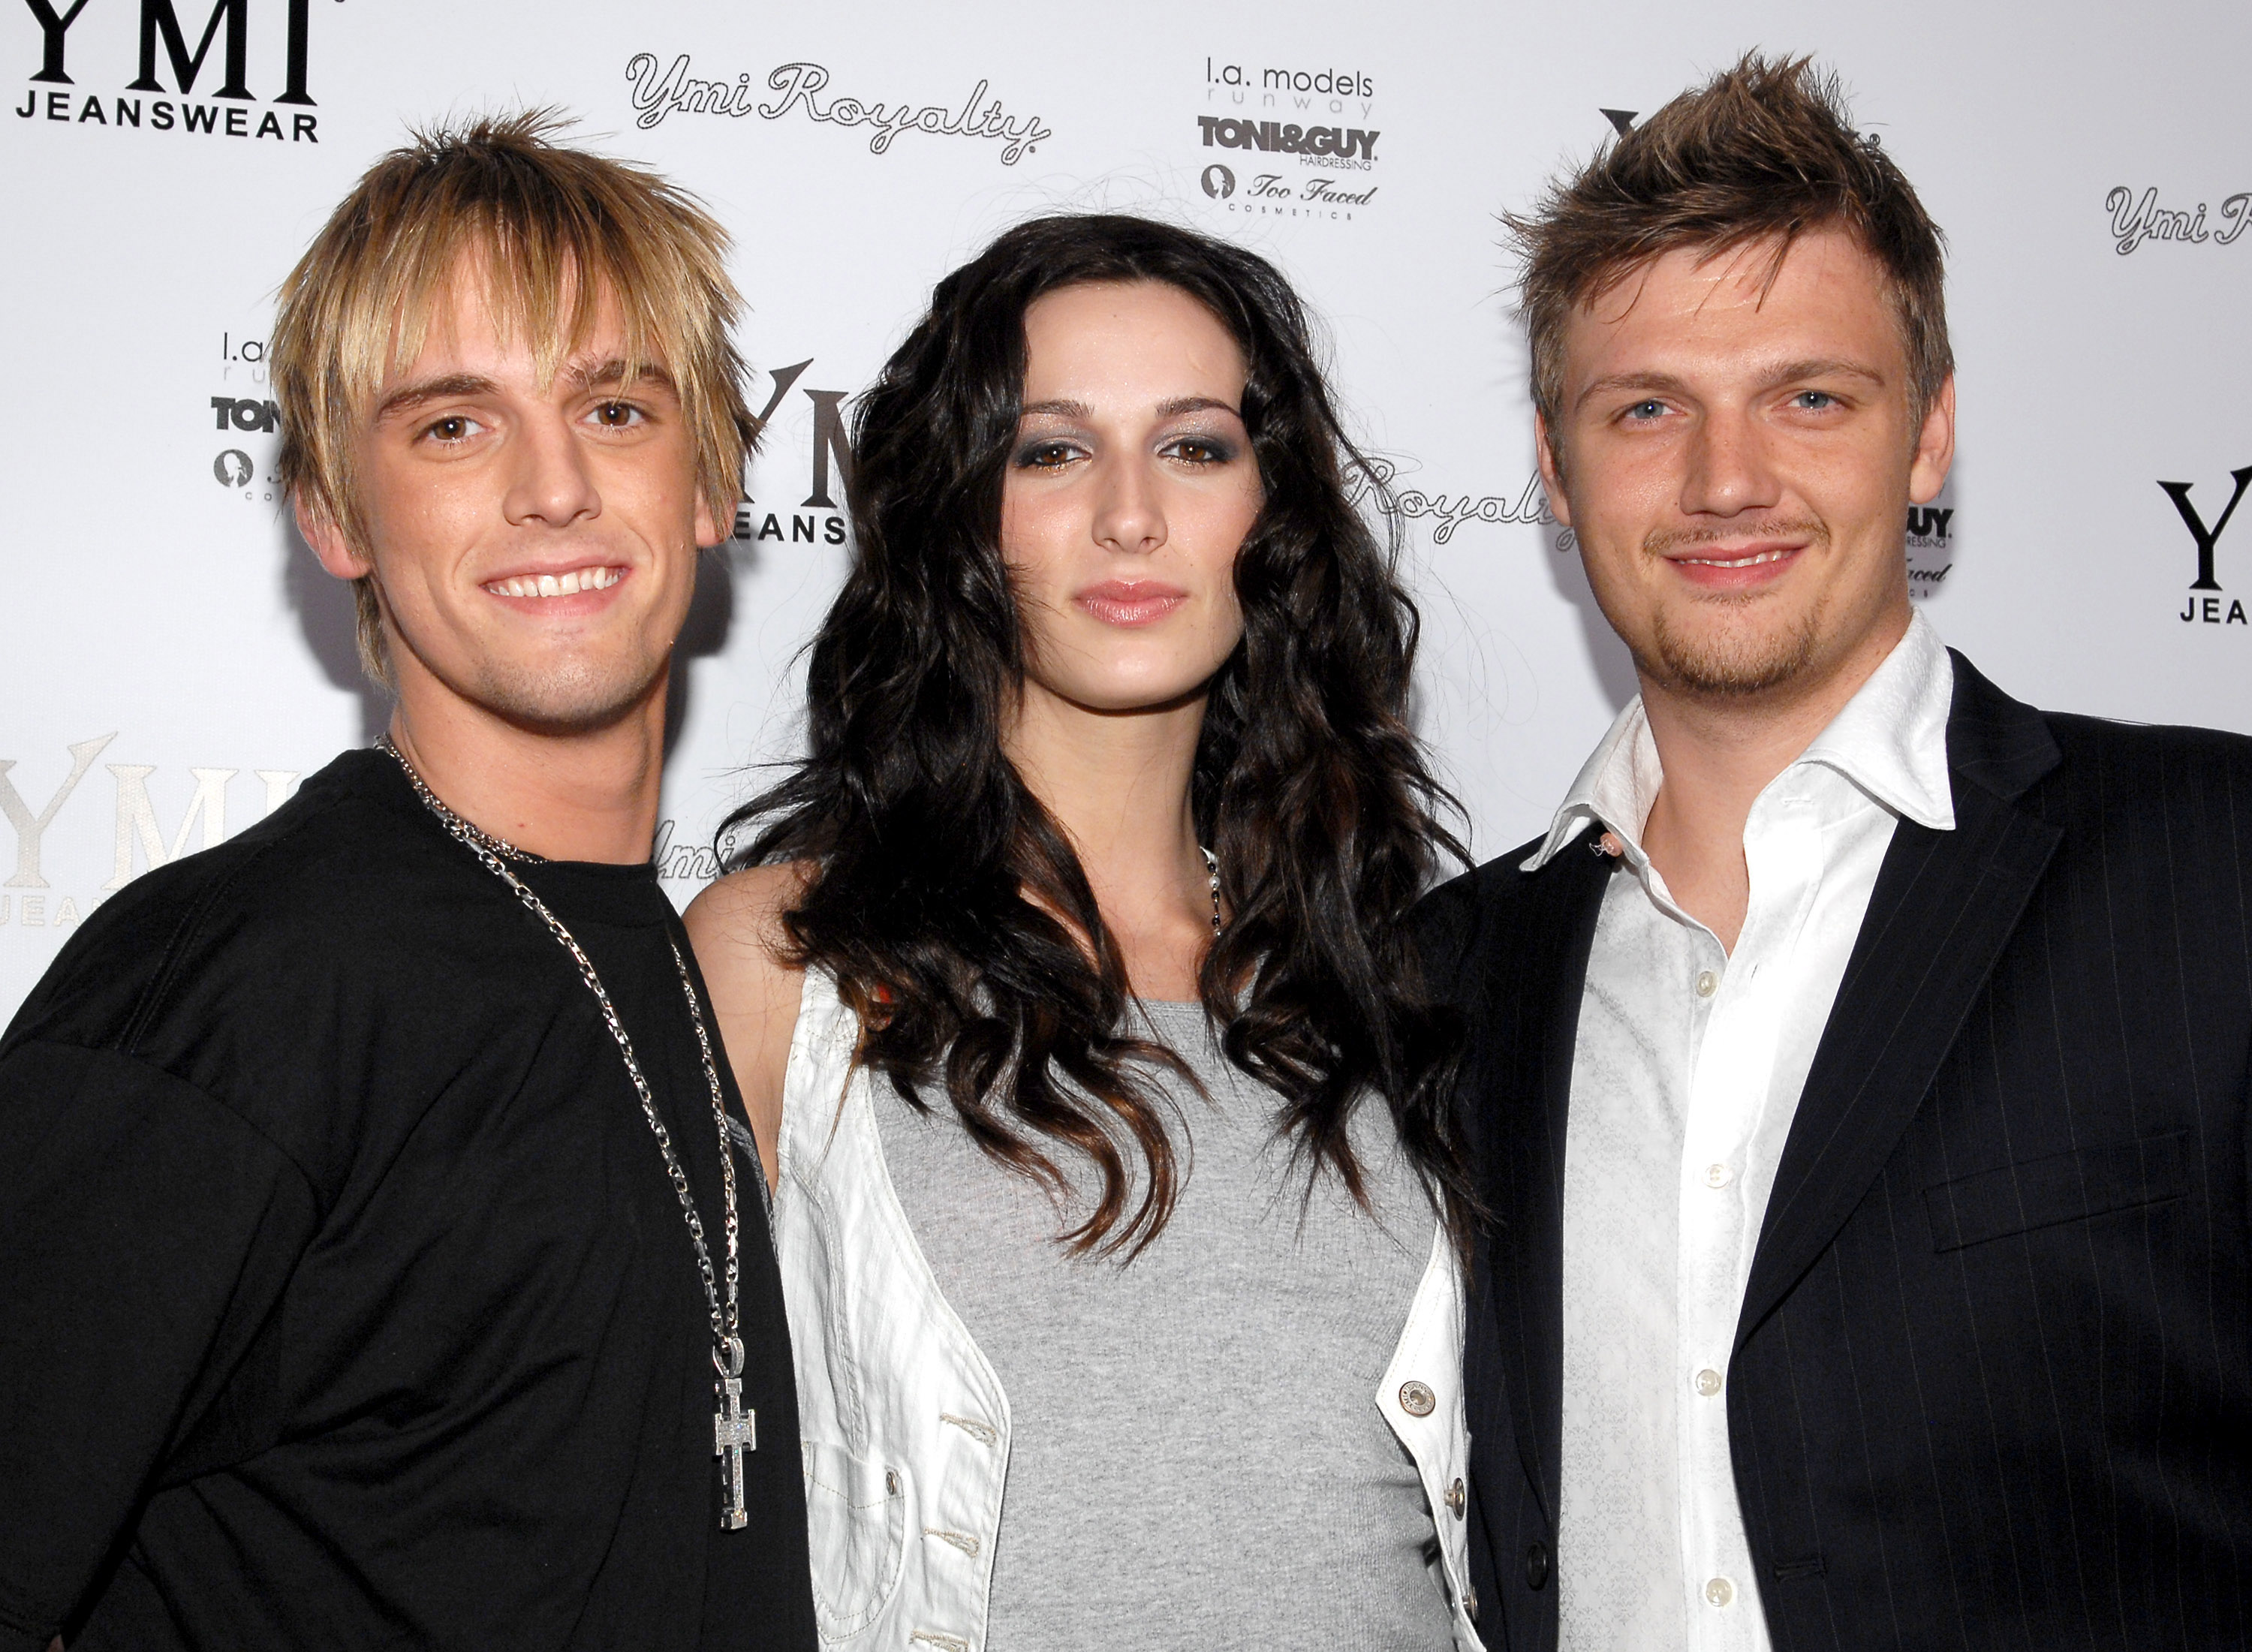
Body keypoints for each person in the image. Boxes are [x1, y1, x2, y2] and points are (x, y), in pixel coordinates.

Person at [1424, 52, 2252, 1650]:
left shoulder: (2209, 873)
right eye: (1649, 408)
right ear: (1553, 468)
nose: (1727, 480)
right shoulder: (1442, 978)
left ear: (1929, 436)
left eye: (1812, 398)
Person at [0, 114, 817, 1650]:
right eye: (455, 424)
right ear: (329, 514)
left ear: (714, 477)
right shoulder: (235, 984)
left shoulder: (672, 957)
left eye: (618, 406)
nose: (554, 487)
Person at [685, 213, 1484, 1650]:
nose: (1132, 515)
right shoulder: (782, 963)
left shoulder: (1379, 968)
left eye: (1195, 446)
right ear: (959, 511)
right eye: (1051, 449)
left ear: (1274, 504)